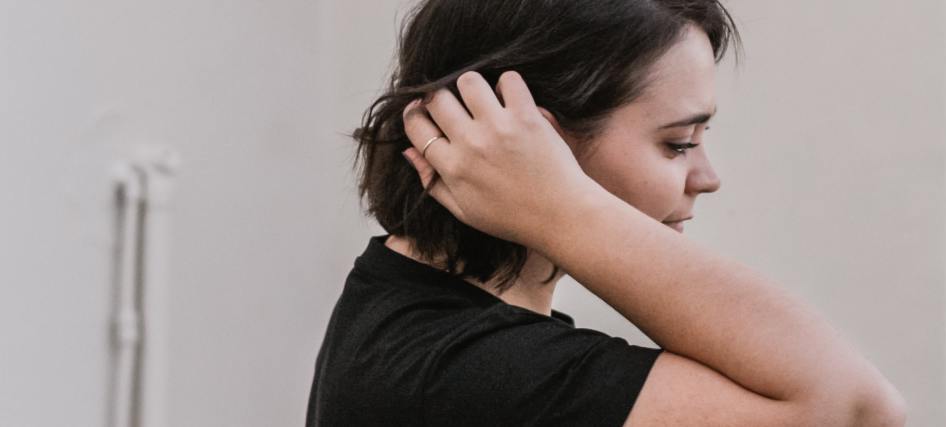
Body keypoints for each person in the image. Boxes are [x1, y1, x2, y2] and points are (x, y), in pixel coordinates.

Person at [307, 1, 906, 425]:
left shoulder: (417, 316)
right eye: (678, 143)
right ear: (529, 141)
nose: (708, 177)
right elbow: (854, 410)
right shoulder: (462, 373)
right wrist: (560, 207)